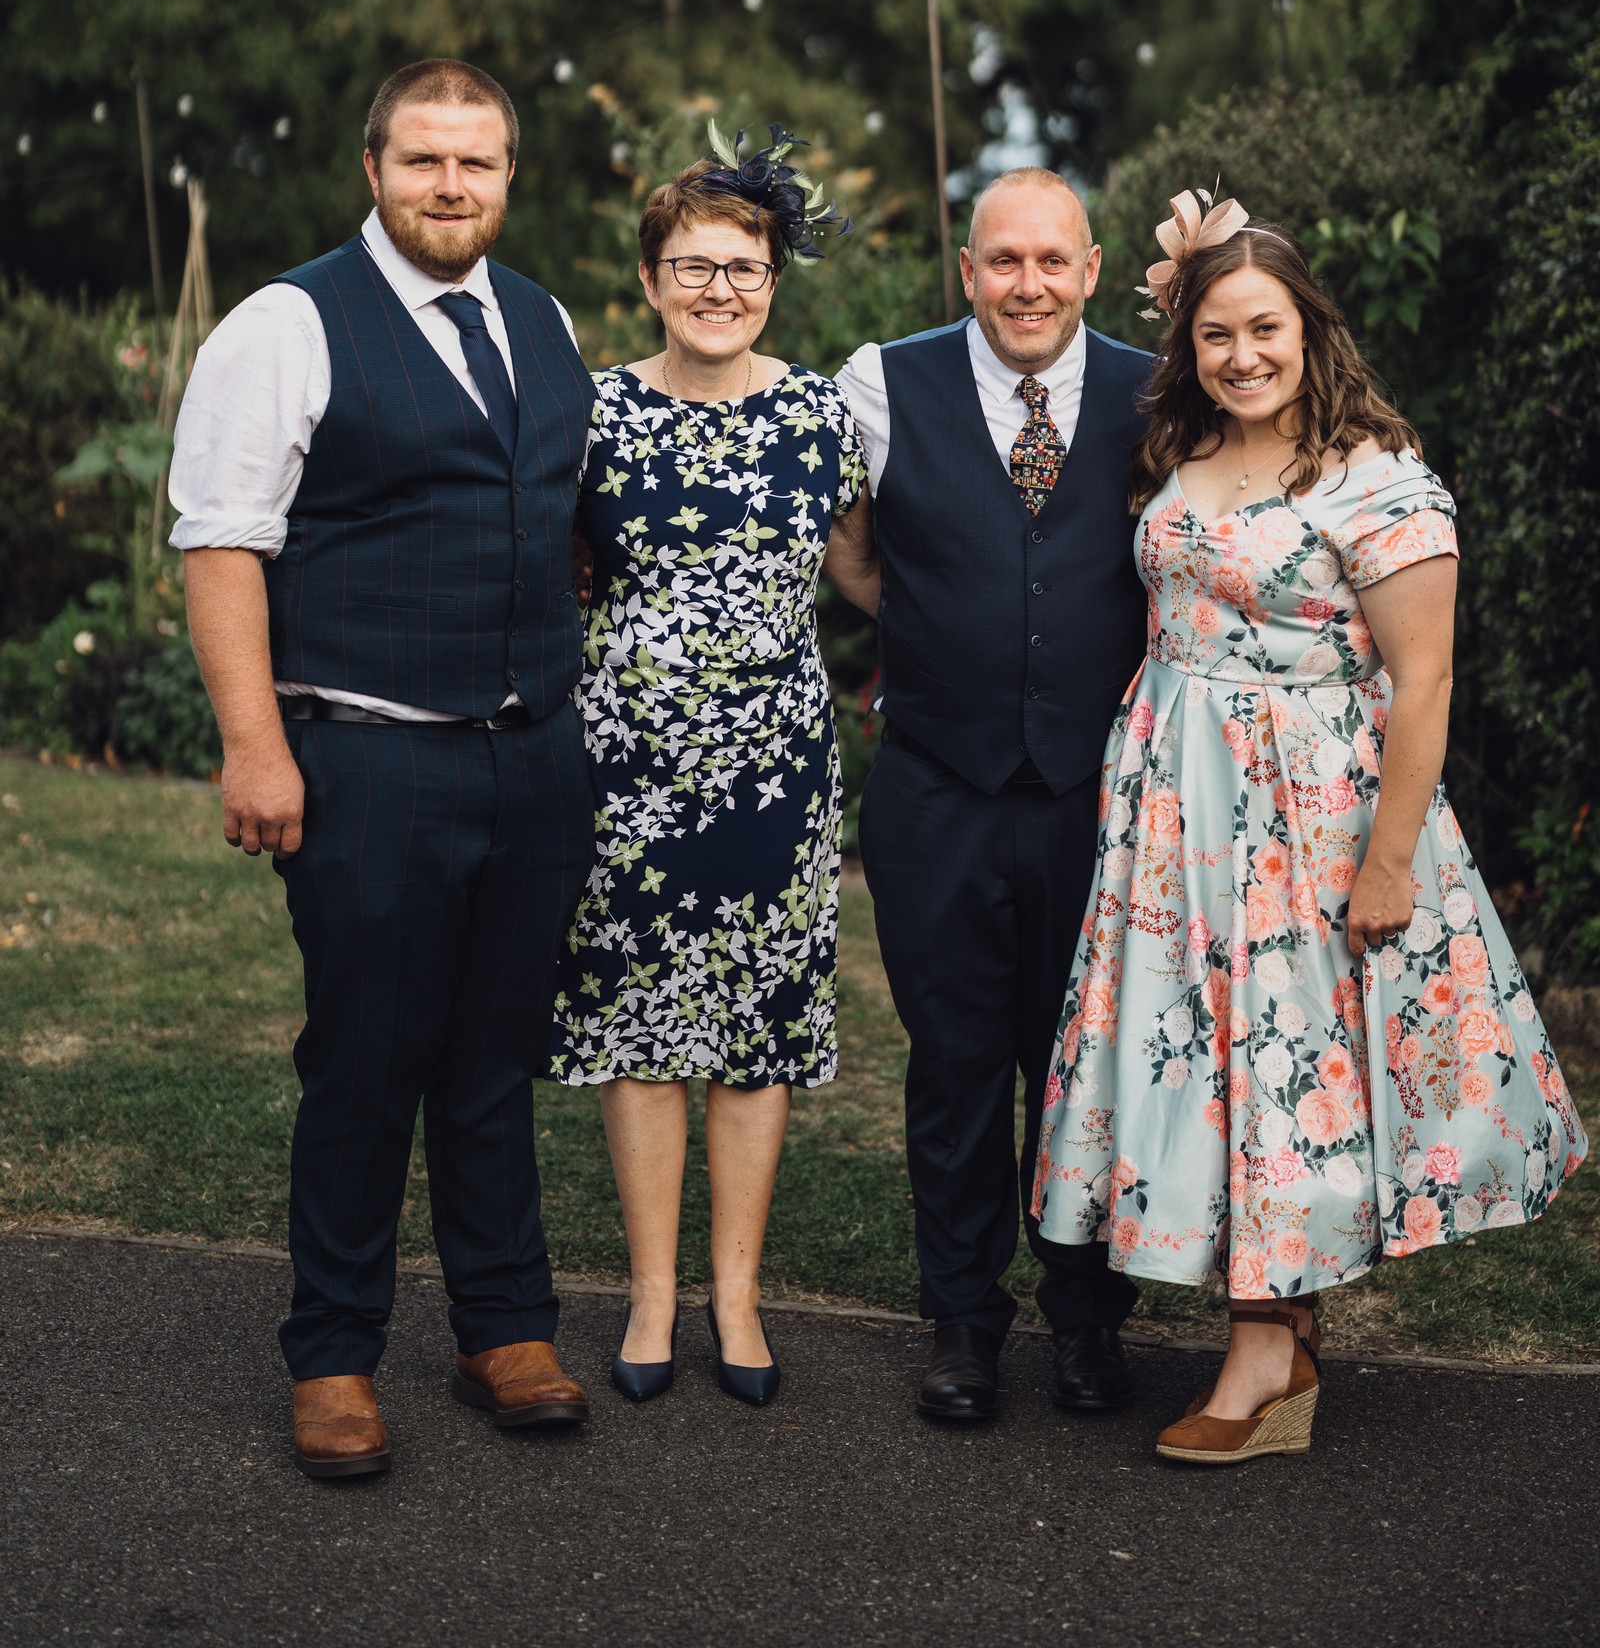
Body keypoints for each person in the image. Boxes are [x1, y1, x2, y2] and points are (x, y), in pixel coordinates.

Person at [1032, 194, 1589, 1464]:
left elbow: (1426, 680)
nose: (1241, 356)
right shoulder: (1177, 453)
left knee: (1287, 1068)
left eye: (1264, 329)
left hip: (1309, 820)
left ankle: (1264, 1351)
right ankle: (1280, 1322)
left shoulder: (1378, 480)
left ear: (1310, 331)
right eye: (1216, 333)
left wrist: (1387, 860)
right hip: (1176, 813)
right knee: (1218, 1068)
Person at [170, 60, 597, 1480]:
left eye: (475, 163)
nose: (450, 186)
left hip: (529, 760)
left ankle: (504, 1328)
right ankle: (336, 1353)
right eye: (424, 160)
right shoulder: (289, 323)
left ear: (508, 177)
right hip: (367, 759)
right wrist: (255, 745)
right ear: (373, 167)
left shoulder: (541, 318)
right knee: (365, 1062)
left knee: (492, 1061)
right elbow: (224, 540)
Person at [549, 126, 868, 1408]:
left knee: (755, 1035)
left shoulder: (822, 413)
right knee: (637, 1031)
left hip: (775, 768)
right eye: (692, 264)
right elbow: (548, 565)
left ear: (775, 279)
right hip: (625, 769)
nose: (718, 287)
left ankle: (737, 1299)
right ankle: (650, 1298)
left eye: (743, 265)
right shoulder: (595, 413)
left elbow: (863, 573)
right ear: (649, 279)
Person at [831, 168, 1151, 1423]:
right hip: (936, 789)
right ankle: (961, 1320)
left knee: (1081, 1066)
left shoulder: (1153, 387)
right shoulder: (879, 382)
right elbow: (850, 549)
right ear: (966, 271)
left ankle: (1086, 1321)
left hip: (1099, 797)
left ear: (1088, 267)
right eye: (1001, 261)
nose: (1027, 283)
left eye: (1051, 261)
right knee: (955, 1062)